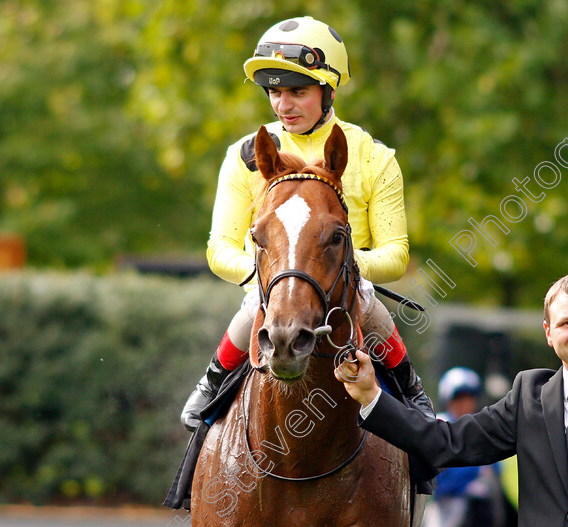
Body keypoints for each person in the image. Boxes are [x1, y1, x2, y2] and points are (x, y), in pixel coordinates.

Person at [180, 16, 434, 431]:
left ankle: (414, 400)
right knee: (247, 317)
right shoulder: (244, 156)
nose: (283, 105)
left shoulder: (374, 157)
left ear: (328, 90)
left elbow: (395, 255)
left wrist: (342, 268)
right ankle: (207, 393)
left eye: (298, 91)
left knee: (371, 309)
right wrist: (271, 275)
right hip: (268, 292)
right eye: (275, 92)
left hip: (349, 295)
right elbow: (219, 248)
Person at [336, 273, 568, 526]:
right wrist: (371, 395)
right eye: (567, 323)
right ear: (549, 332)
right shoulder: (529, 397)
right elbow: (445, 445)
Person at [426, 367, 514, 527]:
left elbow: (496, 469)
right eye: (459, 398)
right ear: (448, 400)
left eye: (469, 398)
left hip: (481, 511)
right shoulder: (440, 426)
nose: (465, 404)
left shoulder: (482, 427)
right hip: (447, 509)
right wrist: (473, 472)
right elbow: (439, 480)